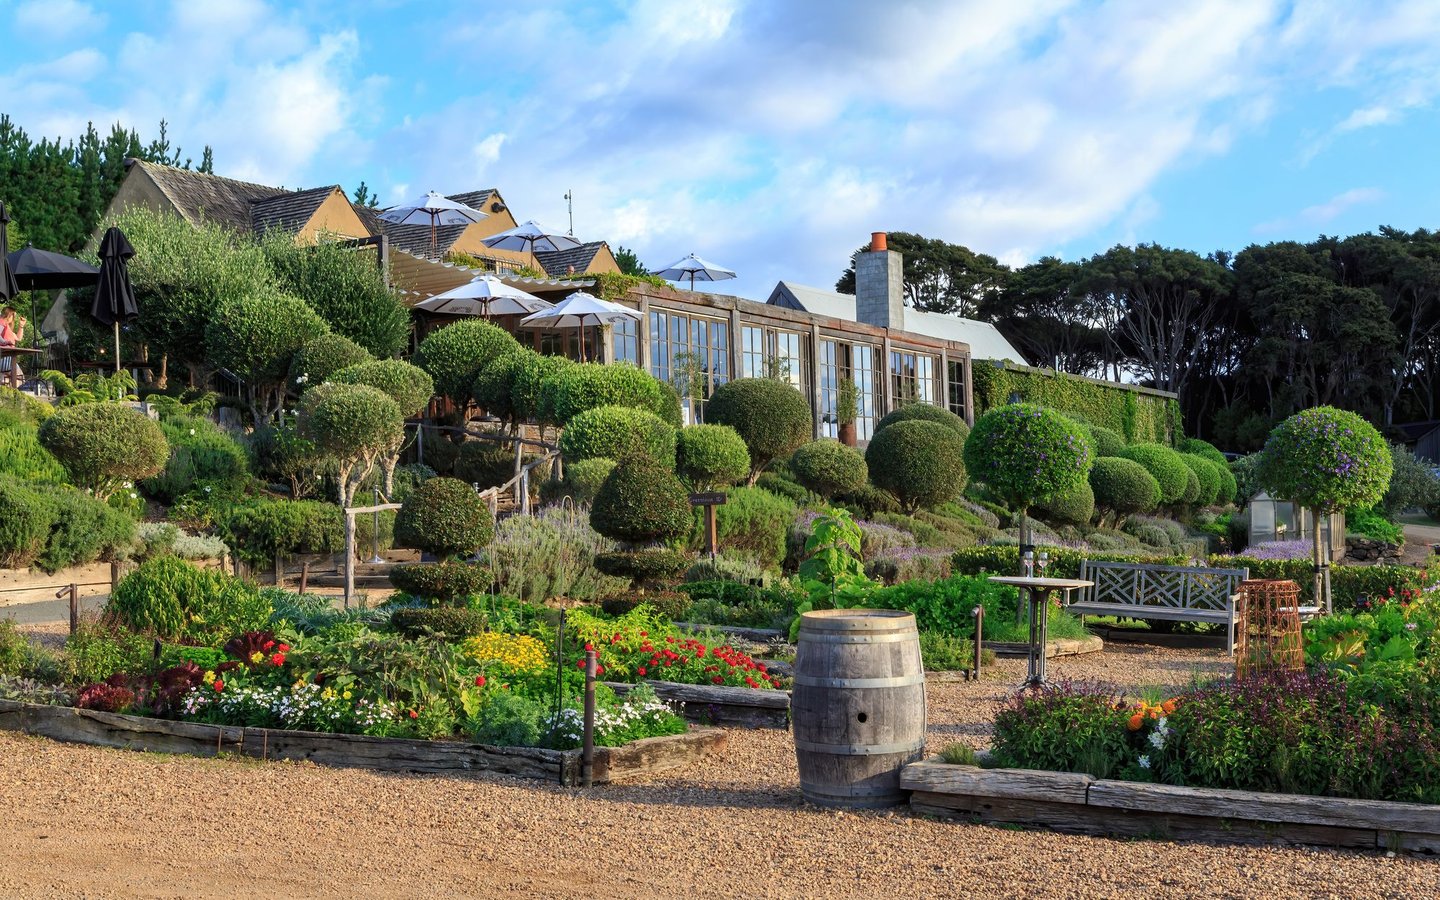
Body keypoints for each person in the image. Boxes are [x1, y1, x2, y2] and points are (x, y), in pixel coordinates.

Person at [0, 306, 27, 383]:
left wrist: (21, 326)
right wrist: (5, 342)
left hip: (8, 359)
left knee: (18, 378)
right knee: (19, 378)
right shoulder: (2, 322)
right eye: (13, 315)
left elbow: (18, 338)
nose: (13, 318)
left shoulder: (7, 328)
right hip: (4, 359)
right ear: (9, 314)